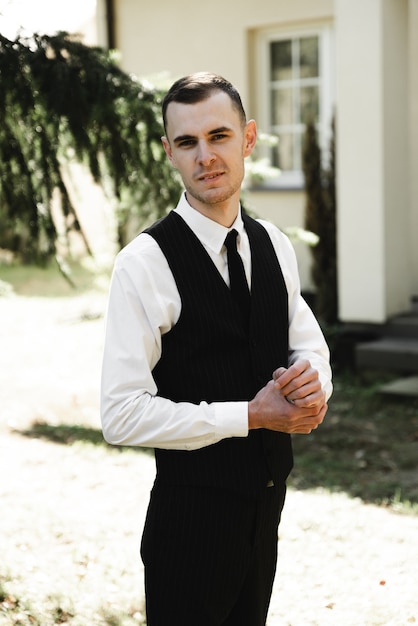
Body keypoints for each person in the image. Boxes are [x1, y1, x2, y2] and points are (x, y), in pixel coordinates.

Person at [100, 72, 332, 626]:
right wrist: (251, 415)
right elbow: (120, 415)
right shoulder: (144, 263)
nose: (205, 155)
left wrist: (313, 389)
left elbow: (309, 346)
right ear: (169, 154)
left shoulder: (274, 244)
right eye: (187, 142)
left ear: (248, 139)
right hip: (190, 526)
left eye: (219, 136)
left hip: (266, 509)